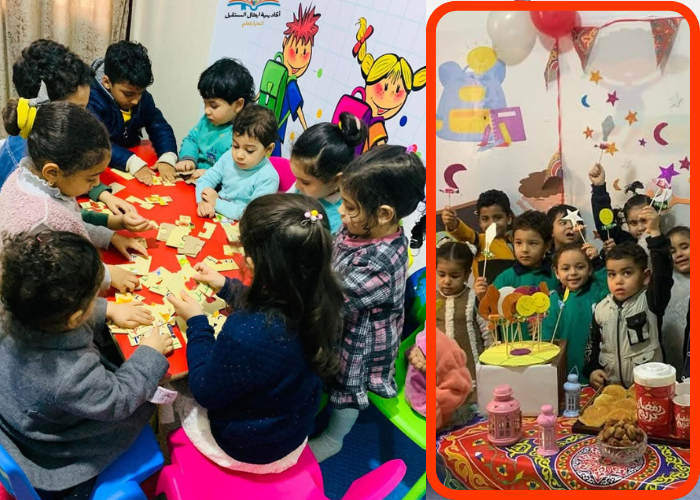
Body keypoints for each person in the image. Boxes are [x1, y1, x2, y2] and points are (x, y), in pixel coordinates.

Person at [167, 193, 344, 472]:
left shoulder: (245, 332)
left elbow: (204, 392)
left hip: (245, 448)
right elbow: (276, 303)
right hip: (292, 434)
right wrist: (227, 286)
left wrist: (197, 323)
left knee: (173, 390)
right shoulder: (325, 300)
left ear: (250, 265)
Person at [0, 231, 172, 500]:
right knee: (141, 401)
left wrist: (108, 309)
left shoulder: (16, 310)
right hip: (51, 455)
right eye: (94, 299)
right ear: (75, 317)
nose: (97, 301)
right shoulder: (70, 374)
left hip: (17, 420)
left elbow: (55, 315)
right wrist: (150, 353)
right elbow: (118, 400)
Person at [309, 144, 425, 462]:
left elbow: (335, 301)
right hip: (343, 317)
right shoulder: (364, 225)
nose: (341, 212)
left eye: (349, 206)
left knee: (347, 388)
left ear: (384, 213)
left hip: (361, 341)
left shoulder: (381, 261)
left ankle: (334, 438)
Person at [0, 100, 148, 293]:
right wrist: (107, 277)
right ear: (52, 172)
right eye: (91, 178)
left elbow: (69, 223)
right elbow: (57, 282)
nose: (96, 184)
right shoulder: (42, 218)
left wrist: (109, 236)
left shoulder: (26, 176)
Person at [0, 39, 135, 220]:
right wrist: (105, 223)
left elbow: (72, 169)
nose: (86, 117)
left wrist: (103, 194)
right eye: (78, 109)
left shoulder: (53, 137)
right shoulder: (23, 165)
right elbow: (56, 215)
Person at [584, 206, 673, 388]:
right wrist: (592, 369)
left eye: (626, 273)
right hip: (611, 390)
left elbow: (663, 274)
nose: (618, 281)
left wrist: (655, 232)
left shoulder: (651, 300)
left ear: (645, 276)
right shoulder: (600, 308)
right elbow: (591, 345)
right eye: (612, 274)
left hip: (647, 391)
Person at [87, 41, 178, 186]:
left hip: (133, 154)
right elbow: (96, 143)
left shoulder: (143, 99)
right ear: (106, 82)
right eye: (128, 94)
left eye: (140, 93)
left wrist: (167, 157)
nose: (136, 100)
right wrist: (131, 162)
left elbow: (159, 126)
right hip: (103, 164)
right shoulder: (90, 99)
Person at [175, 58, 255, 181]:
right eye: (205, 103)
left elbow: (239, 171)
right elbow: (191, 139)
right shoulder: (206, 121)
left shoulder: (245, 134)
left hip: (219, 186)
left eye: (213, 106)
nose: (206, 111)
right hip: (193, 180)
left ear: (238, 105)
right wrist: (188, 159)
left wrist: (212, 174)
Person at [195, 104, 279, 220]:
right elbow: (205, 180)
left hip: (241, 225)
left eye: (249, 150)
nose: (239, 155)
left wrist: (216, 203)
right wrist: (203, 202)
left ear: (268, 149)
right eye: (235, 145)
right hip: (216, 216)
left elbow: (252, 214)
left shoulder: (268, 178)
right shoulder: (228, 157)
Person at [541, 243, 608, 382]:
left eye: (580, 267)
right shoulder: (553, 301)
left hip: (597, 369)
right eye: (566, 268)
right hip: (564, 372)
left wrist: (598, 263)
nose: (573, 273)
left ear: (590, 269)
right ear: (556, 273)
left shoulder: (597, 291)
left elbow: (610, 289)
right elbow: (547, 339)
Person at [290, 112, 366, 234]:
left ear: (336, 179)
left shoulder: (341, 218)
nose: (297, 186)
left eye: (305, 182)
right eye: (296, 178)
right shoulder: (302, 189)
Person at [436, 241, 490, 401]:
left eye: (454, 276)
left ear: (466, 275)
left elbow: (487, 331)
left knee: (473, 402)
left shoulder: (473, 298)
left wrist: (490, 362)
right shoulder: (432, 300)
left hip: (472, 366)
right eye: (441, 274)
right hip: (441, 368)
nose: (447, 281)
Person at [442, 189, 515, 283]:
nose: (492, 224)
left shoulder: (517, 242)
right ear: (479, 222)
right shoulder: (480, 240)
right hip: (484, 293)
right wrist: (453, 223)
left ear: (508, 219)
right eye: (485, 219)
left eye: (497, 218)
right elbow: (466, 234)